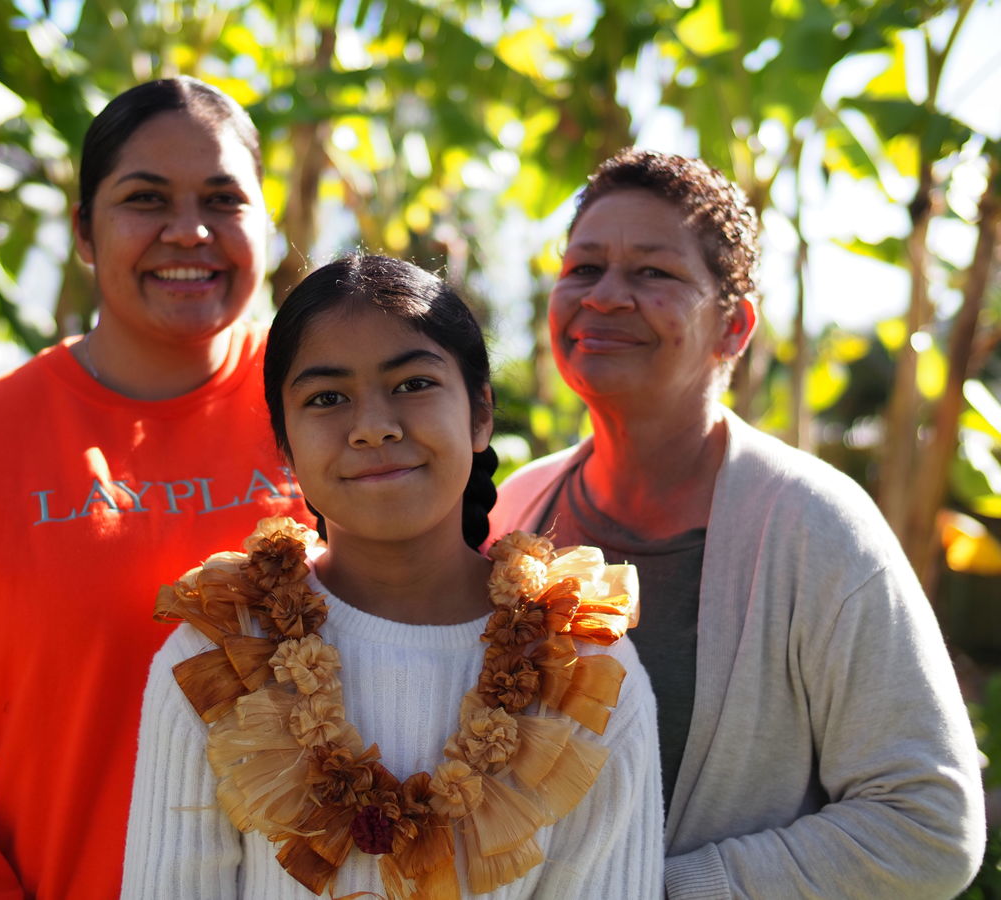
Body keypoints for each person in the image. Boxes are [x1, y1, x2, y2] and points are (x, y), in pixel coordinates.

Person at [0, 77, 310, 899]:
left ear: (264, 221)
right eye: (144, 198)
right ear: (84, 230)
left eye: (223, 200)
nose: (188, 230)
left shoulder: (335, 410)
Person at [489, 148, 986, 898]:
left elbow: (930, 824)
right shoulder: (516, 508)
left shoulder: (817, 529)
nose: (605, 297)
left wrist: (658, 890)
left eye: (652, 272)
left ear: (734, 327)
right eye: (583, 269)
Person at [121, 254, 663, 898]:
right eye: (327, 398)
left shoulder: (584, 675)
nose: (374, 427)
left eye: (412, 384)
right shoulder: (219, 658)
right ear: (285, 445)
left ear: (481, 412)